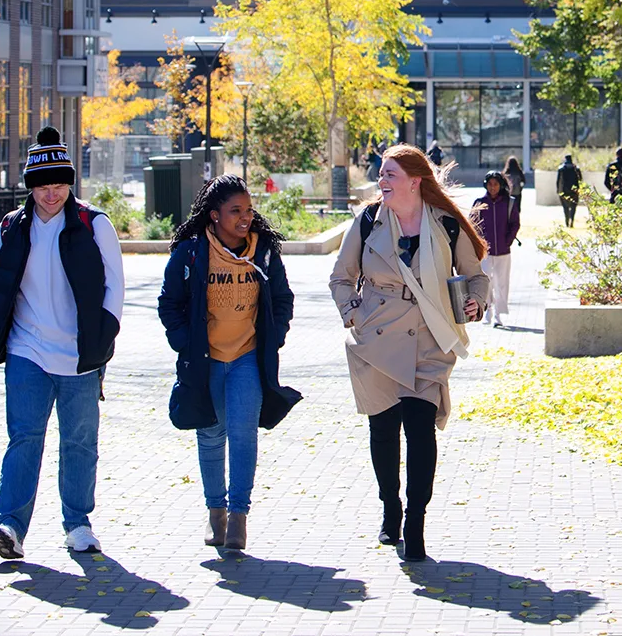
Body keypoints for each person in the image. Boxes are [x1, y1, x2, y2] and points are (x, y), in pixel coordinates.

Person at [329, 144, 489, 562]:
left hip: (429, 338)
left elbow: (475, 276)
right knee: (383, 431)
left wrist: (475, 302)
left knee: (420, 431)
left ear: (415, 181)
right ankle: (391, 509)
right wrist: (353, 315)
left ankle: (416, 521)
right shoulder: (368, 220)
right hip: (376, 339)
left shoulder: (445, 223)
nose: (381, 181)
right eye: (381, 174)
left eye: (390, 174)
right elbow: (341, 277)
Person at [0, 126, 126, 560]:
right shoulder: (12, 227)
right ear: (30, 186)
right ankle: (9, 526)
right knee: (24, 437)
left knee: (79, 442)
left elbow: (114, 288)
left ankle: (78, 524)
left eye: (59, 185)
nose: (51, 194)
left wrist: (103, 338)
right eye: (43, 186)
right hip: (27, 351)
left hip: (81, 355)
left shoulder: (94, 224)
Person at [158, 175, 300, 552]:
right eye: (235, 210)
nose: (245, 217)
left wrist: (275, 336)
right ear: (215, 214)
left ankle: (238, 515)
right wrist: (185, 344)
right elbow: (169, 303)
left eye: (248, 210)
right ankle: (215, 512)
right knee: (209, 433)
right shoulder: (191, 252)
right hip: (205, 360)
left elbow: (282, 298)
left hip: (246, 357)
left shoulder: (263, 251)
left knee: (242, 433)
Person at [471, 171, 520, 327]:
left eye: (496, 184)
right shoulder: (479, 203)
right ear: (486, 185)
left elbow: (515, 224)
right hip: (485, 252)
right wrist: (478, 243)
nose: (492, 187)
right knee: (486, 282)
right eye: (490, 184)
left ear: (501, 185)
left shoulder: (509, 203)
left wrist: (507, 241)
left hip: (503, 252)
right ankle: (488, 311)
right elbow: (472, 224)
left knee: (502, 283)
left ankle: (499, 315)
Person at [557, 154, 583, 227]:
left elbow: (558, 181)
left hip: (564, 190)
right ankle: (572, 220)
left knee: (565, 207)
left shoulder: (561, 168)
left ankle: (567, 220)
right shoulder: (576, 168)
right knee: (573, 206)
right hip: (574, 190)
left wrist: (558, 189)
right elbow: (580, 179)